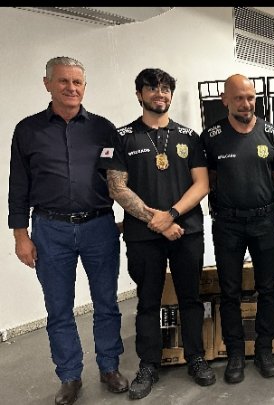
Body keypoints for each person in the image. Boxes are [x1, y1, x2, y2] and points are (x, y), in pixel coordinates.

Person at [8, 56, 128, 405]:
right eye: (63, 81)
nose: (71, 88)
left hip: (99, 227)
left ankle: (109, 366)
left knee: (106, 302)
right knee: (59, 308)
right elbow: (18, 185)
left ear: (84, 87)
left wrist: (130, 217)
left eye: (77, 82)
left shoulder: (104, 129)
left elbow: (120, 179)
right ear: (47, 84)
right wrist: (20, 235)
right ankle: (69, 376)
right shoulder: (27, 130)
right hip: (50, 229)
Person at [100, 68, 215, 400]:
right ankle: (149, 365)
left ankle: (196, 357)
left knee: (190, 298)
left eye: (165, 89)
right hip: (143, 236)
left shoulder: (189, 136)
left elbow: (202, 184)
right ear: (139, 94)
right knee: (148, 302)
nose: (159, 94)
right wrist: (157, 220)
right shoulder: (122, 136)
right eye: (151, 88)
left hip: (186, 232)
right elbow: (116, 188)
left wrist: (172, 215)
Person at [200, 74, 274, 383]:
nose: (246, 103)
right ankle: (235, 353)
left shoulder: (273, 135)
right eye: (238, 97)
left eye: (250, 97)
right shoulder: (211, 137)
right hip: (228, 224)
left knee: (267, 289)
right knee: (230, 292)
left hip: (264, 221)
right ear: (225, 100)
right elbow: (207, 181)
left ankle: (264, 351)